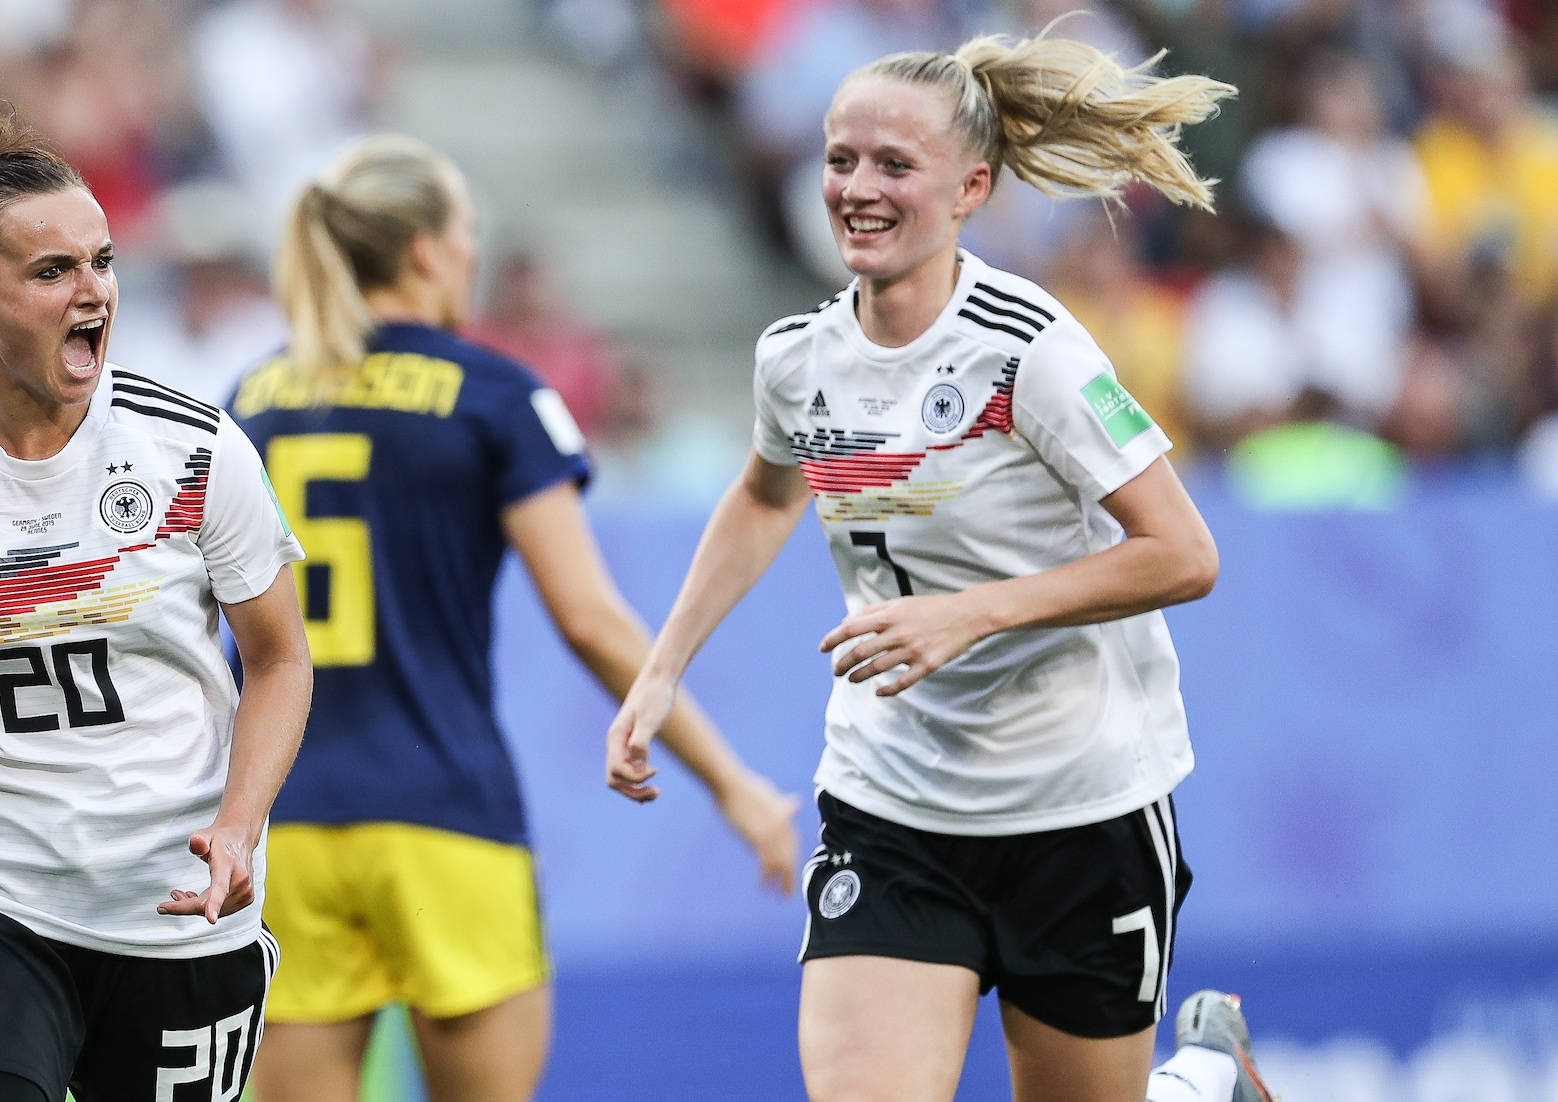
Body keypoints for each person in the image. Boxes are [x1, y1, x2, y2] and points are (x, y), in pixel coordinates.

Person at [607, 31, 1278, 1102]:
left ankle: (1198, 1085)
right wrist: (661, 666)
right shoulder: (796, 356)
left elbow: (1182, 553)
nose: (855, 190)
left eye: (890, 165)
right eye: (838, 160)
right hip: (893, 803)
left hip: (1079, 801)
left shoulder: (1032, 351)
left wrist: (970, 614)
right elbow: (762, 493)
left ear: (970, 188)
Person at [228, 133, 800, 1102]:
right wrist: (733, 782)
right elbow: (587, 617)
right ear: (422, 250)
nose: (472, 255)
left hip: (284, 828)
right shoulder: (491, 394)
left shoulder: (250, 399)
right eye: (466, 234)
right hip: (444, 819)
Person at [0, 94, 312, 1102]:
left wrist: (242, 824)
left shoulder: (194, 451)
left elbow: (282, 657)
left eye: (104, 262)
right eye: (53, 271)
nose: (96, 292)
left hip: (172, 906)